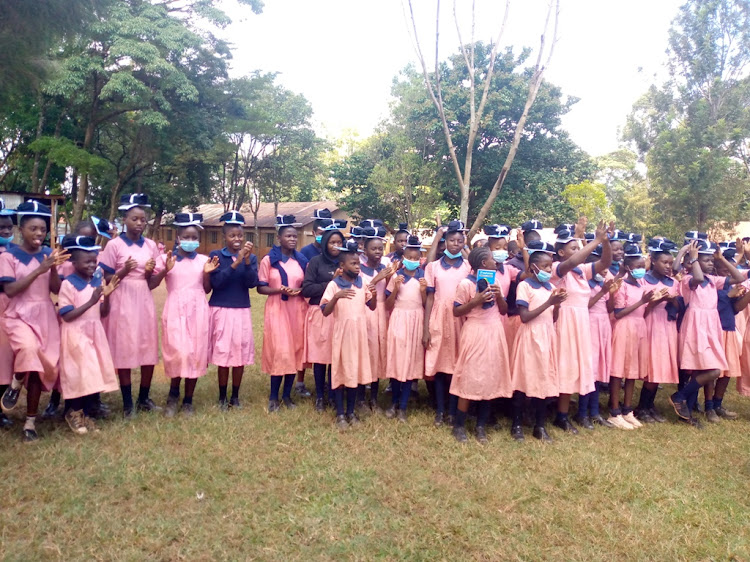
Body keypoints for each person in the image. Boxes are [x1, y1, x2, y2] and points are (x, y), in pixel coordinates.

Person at [0, 200, 69, 441]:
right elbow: (10, 290)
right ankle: (17, 382)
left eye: (43, 229)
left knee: (41, 369)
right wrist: (40, 269)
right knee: (28, 349)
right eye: (33, 228)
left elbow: (56, 289)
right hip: (18, 314)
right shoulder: (9, 256)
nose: (39, 233)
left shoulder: (50, 254)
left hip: (45, 315)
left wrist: (51, 269)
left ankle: (30, 422)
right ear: (21, 230)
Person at [98, 194, 163, 417]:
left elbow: (153, 282)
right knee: (123, 348)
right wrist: (123, 271)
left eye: (143, 220)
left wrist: (150, 272)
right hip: (121, 298)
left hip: (143, 298)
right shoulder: (114, 245)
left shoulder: (151, 245)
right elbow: (106, 278)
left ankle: (144, 397)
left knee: (148, 346)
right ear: (124, 220)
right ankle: (128, 404)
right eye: (134, 219)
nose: (139, 223)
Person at [670, 240, 745, 426]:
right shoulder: (688, 280)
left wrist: (722, 259)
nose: (711, 263)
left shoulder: (714, 281)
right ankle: (681, 399)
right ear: (695, 262)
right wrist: (693, 258)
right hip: (696, 328)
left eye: (712, 260)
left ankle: (681, 398)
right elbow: (697, 278)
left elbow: (738, 277)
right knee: (708, 370)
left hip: (711, 328)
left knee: (712, 369)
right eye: (707, 260)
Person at [551, 220, 612, 433]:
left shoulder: (581, 271)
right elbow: (570, 262)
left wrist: (605, 242)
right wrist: (594, 240)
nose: (579, 252)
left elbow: (605, 262)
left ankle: (563, 414)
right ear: (560, 252)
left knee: (575, 367)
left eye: (579, 248)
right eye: (573, 248)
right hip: (564, 322)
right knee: (564, 367)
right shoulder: (557, 268)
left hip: (580, 323)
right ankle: (554, 413)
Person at [57, 235, 120, 434]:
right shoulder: (68, 284)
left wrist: (106, 297)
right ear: (74, 263)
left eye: (94, 261)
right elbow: (67, 315)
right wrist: (91, 302)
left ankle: (84, 413)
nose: (92, 265)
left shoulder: (96, 281)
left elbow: (103, 312)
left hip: (94, 332)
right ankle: (73, 412)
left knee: (91, 374)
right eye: (87, 262)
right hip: (76, 334)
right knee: (78, 374)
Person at [450, 246, 512, 444]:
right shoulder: (466, 284)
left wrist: (499, 296)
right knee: (469, 376)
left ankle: (481, 425)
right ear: (484, 264)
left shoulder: (496, 283)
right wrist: (475, 301)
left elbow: (503, 311)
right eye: (493, 259)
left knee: (490, 377)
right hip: (475, 331)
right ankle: (459, 425)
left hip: (493, 331)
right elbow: (457, 312)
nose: (496, 261)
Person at [159, 213, 218, 417]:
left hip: (198, 310)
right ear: (178, 238)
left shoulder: (204, 260)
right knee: (178, 352)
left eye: (194, 238)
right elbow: (154, 283)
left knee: (194, 354)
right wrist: (163, 270)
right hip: (175, 309)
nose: (190, 241)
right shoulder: (169, 259)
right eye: (186, 237)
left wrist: (207, 274)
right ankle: (173, 396)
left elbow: (207, 289)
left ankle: (188, 400)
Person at [510, 241, 567, 442]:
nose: (548, 270)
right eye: (544, 267)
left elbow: (553, 318)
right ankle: (516, 424)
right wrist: (549, 302)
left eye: (550, 266)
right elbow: (524, 316)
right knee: (523, 378)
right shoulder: (524, 286)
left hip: (547, 336)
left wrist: (557, 305)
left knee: (543, 379)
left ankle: (539, 425)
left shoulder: (551, 287)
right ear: (534, 267)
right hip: (530, 336)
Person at [321, 240, 376, 429]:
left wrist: (374, 295)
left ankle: (351, 412)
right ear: (342, 266)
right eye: (353, 264)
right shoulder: (334, 285)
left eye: (359, 263)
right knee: (340, 373)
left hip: (359, 335)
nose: (357, 266)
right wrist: (336, 297)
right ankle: (340, 414)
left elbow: (372, 306)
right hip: (342, 335)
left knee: (354, 373)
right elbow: (325, 311)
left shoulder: (364, 282)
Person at [257, 215, 308, 412]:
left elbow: (306, 284)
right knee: (280, 350)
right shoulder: (269, 261)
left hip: (297, 309)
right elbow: (261, 288)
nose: (292, 239)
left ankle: (287, 395)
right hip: (277, 308)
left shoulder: (301, 260)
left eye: (295, 236)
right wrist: (280, 290)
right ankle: (273, 397)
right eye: (288, 236)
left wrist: (301, 290)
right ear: (279, 238)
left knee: (295, 350)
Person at [423, 220, 472, 427]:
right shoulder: (433, 267)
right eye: (452, 240)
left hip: (461, 318)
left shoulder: (468, 267)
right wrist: (426, 328)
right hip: (439, 318)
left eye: (460, 241)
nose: (455, 244)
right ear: (445, 241)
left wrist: (468, 246)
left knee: (456, 366)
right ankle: (440, 410)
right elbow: (430, 298)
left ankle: (453, 411)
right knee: (441, 366)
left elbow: (476, 264)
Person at [208, 210, 258, 410]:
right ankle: (222, 396)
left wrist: (245, 260)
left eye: (240, 235)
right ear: (224, 237)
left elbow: (251, 283)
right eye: (232, 235)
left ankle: (235, 396)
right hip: (221, 309)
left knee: (240, 355)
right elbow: (217, 283)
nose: (237, 239)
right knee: (223, 355)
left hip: (241, 310)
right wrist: (236, 262)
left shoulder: (251, 258)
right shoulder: (216, 256)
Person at [608, 243, 657, 430]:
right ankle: (614, 411)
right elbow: (619, 313)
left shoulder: (642, 284)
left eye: (642, 266)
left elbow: (644, 311)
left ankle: (628, 410)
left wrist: (650, 303)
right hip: (624, 328)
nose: (640, 270)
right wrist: (642, 302)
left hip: (639, 327)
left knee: (632, 371)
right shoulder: (622, 286)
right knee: (618, 371)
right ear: (628, 268)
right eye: (636, 267)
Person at [635, 239, 681, 423]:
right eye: (665, 262)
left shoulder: (673, 283)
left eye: (671, 263)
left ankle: (649, 405)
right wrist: (656, 300)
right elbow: (642, 309)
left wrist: (672, 300)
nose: (669, 266)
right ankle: (642, 407)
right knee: (651, 368)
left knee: (661, 366)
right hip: (650, 326)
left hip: (667, 327)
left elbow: (679, 307)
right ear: (653, 261)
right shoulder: (643, 280)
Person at [302, 227, 346, 411]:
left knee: (336, 356)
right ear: (325, 243)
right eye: (332, 242)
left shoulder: (345, 262)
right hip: (320, 313)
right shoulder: (315, 262)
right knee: (321, 357)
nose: (336, 246)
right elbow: (307, 289)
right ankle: (320, 395)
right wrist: (332, 282)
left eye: (339, 243)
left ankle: (334, 393)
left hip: (340, 314)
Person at [384, 235, 427, 422]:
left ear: (420, 259)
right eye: (409, 257)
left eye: (415, 258)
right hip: (399, 318)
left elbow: (425, 304)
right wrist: (395, 288)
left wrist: (425, 291)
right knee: (396, 359)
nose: (412, 261)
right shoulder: (396, 276)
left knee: (410, 362)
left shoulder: (423, 276)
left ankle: (403, 406)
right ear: (403, 258)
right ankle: (393, 401)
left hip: (416, 319)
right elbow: (387, 305)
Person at [578, 243, 619, 428]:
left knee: (599, 369)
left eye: (606, 270)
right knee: (590, 369)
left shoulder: (604, 283)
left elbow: (609, 308)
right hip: (590, 325)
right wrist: (602, 291)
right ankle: (582, 413)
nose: (604, 272)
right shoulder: (586, 284)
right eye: (601, 269)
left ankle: (594, 412)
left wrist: (610, 294)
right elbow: (586, 305)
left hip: (603, 326)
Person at [358, 225, 396, 411]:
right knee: (365, 353)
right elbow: (358, 291)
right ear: (364, 250)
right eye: (373, 248)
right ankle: (360, 398)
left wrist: (389, 278)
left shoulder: (387, 265)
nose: (378, 252)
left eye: (380, 248)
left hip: (383, 313)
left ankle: (373, 397)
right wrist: (376, 279)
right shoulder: (358, 267)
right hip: (366, 313)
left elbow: (391, 290)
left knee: (379, 354)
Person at [0, 199, 16, 429]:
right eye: (1, 227)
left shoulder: (13, 251)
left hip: (9, 307)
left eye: (9, 227)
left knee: (5, 359)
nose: (5, 231)